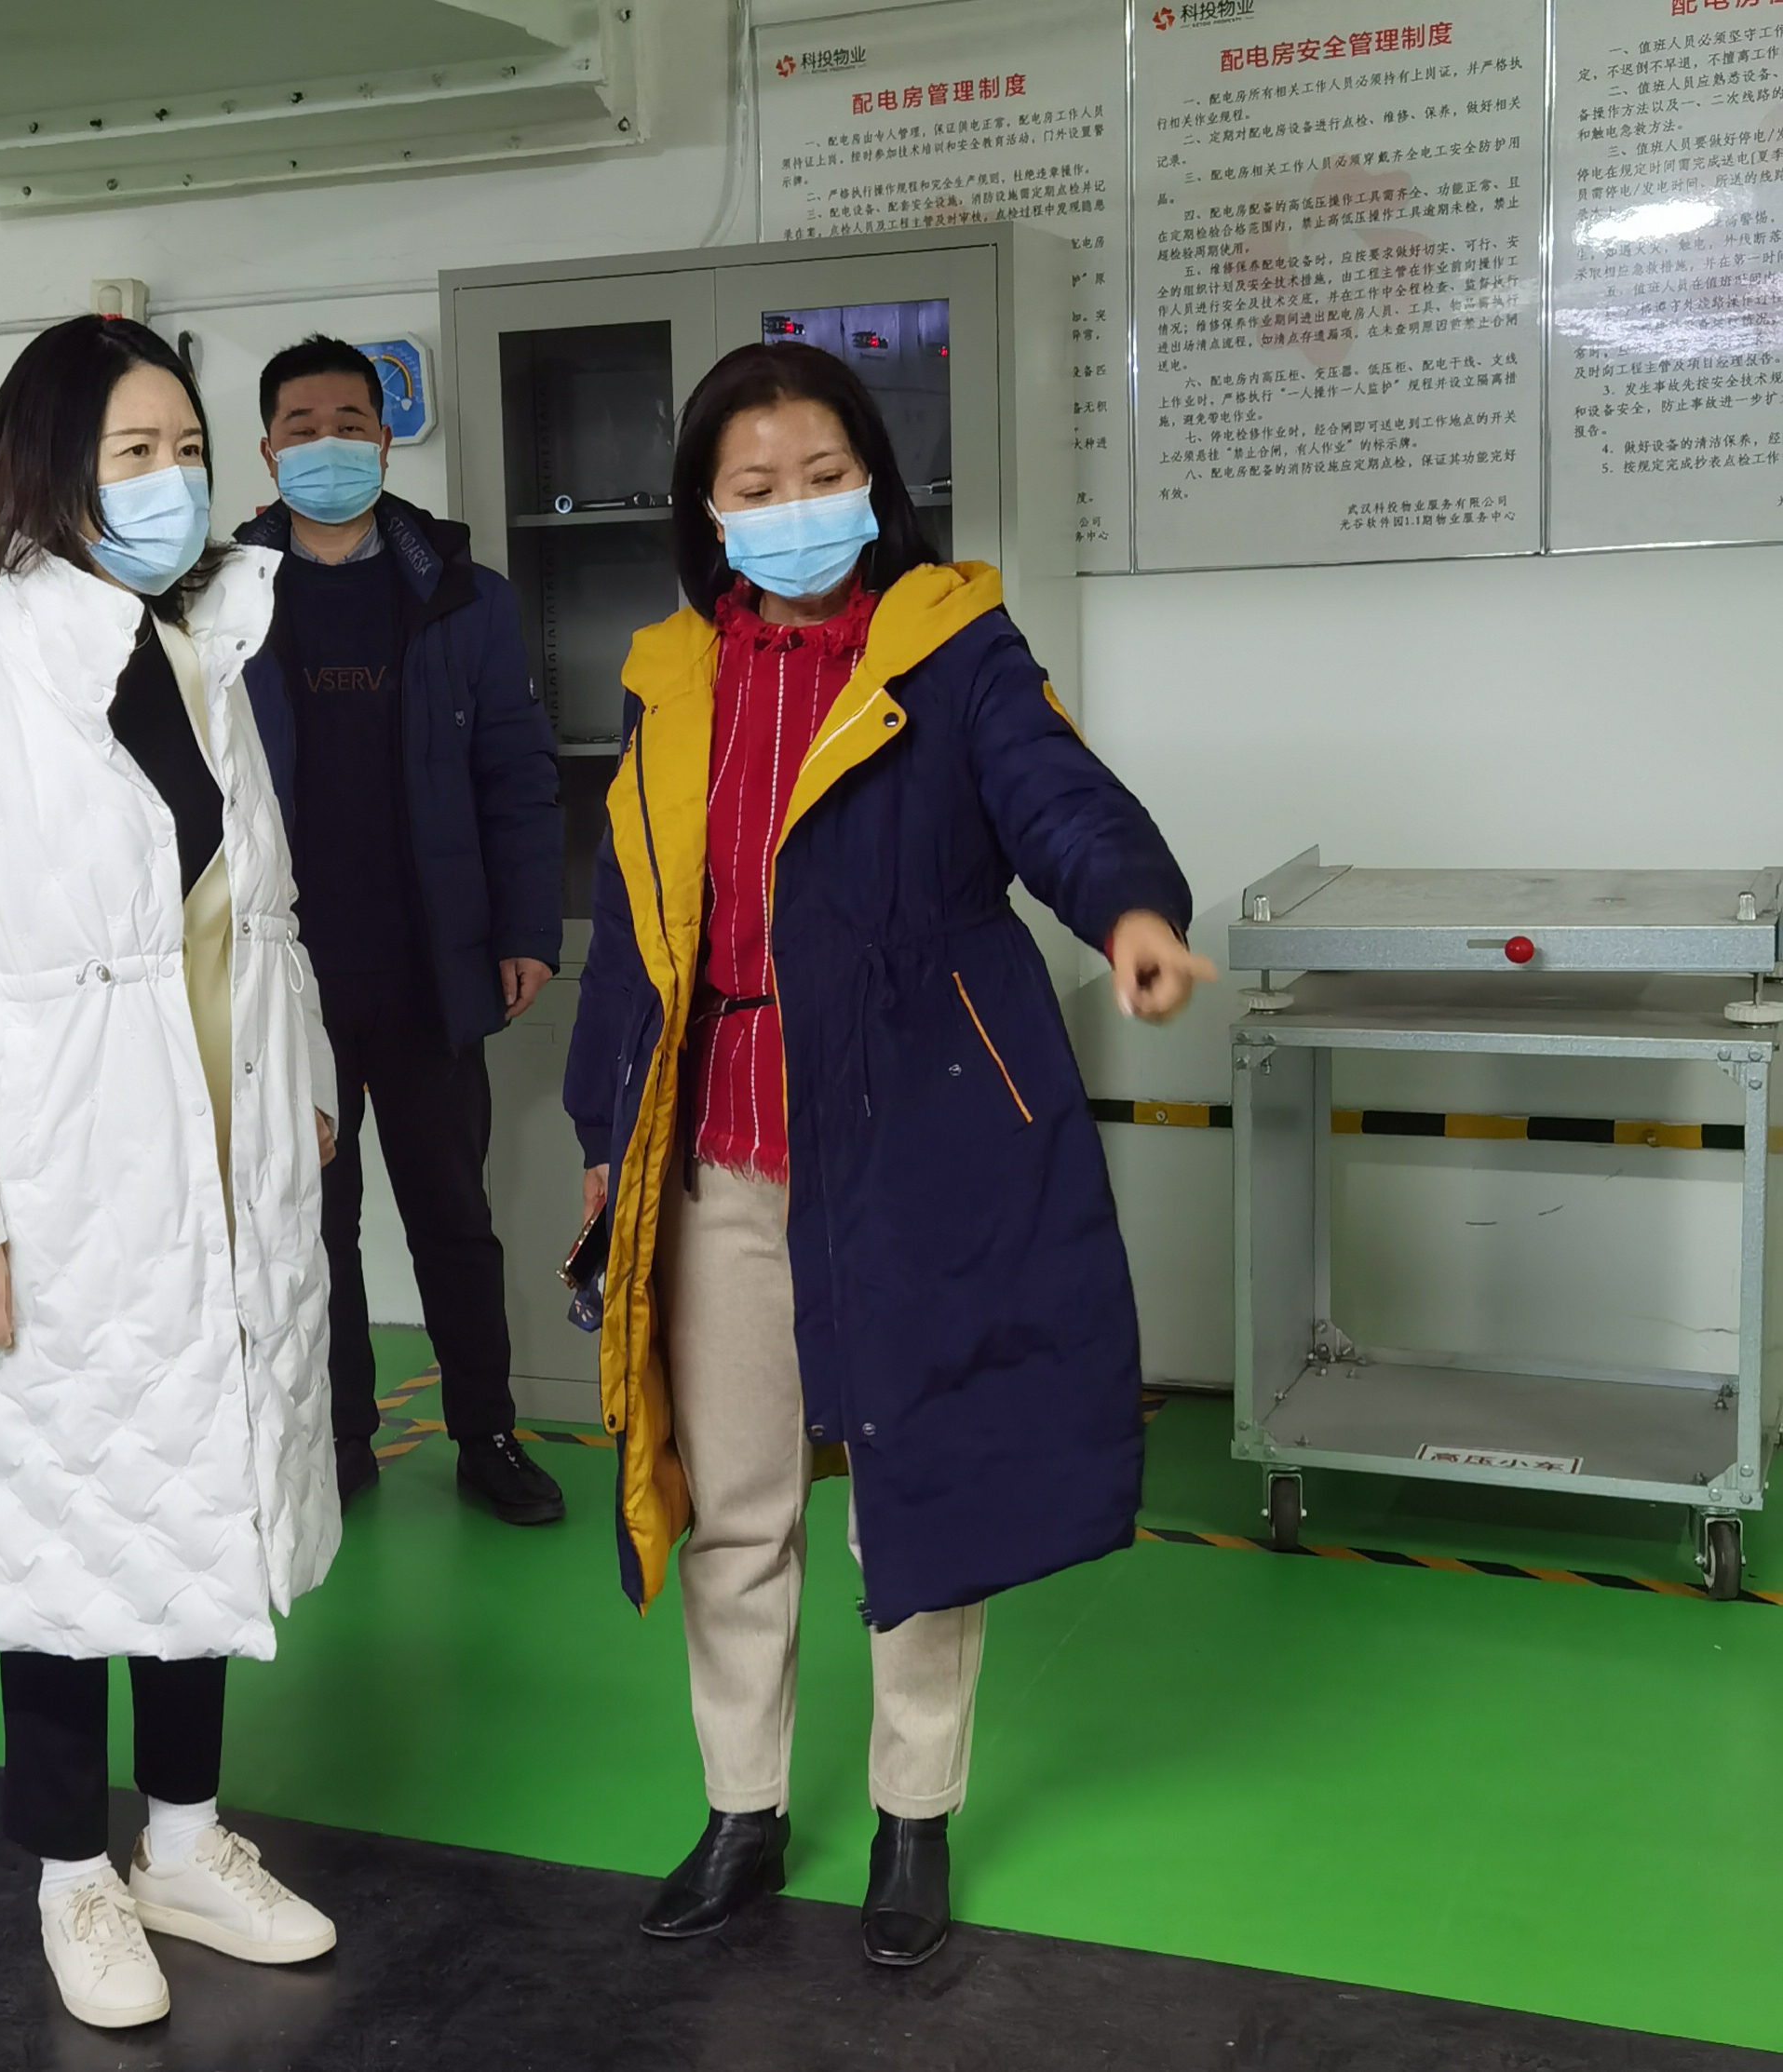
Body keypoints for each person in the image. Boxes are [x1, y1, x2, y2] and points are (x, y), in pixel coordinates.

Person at [561, 341, 1209, 1968]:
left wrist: (1131, 909)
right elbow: (635, 928)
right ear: (709, 512)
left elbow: (1060, 799)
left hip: (910, 1139)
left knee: (916, 1489)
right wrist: (602, 1134)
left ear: (873, 485)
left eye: (824, 475)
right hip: (720, 1141)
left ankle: (913, 1816)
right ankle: (743, 1809)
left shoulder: (950, 646)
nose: (794, 507)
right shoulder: (671, 679)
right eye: (756, 486)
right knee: (737, 1505)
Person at [0, 315, 343, 2030]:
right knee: (64, 1531)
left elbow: (261, 913)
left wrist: (304, 1089)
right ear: (53, 471)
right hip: (60, 1195)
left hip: (222, 1158)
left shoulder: (208, 657)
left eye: (185, 448)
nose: (170, 479)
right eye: (134, 451)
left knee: (196, 1496)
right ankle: (74, 1873)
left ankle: (186, 1843)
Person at [234, 335, 566, 1524]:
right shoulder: (220, 597)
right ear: (267, 449)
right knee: (311, 1226)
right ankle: (337, 1437)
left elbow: (518, 777)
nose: (328, 444)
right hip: (289, 982)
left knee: (455, 1220)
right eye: (302, 427)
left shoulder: (462, 591)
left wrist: (526, 927)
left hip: (432, 965)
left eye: (350, 424)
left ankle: (487, 1432)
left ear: (385, 438)